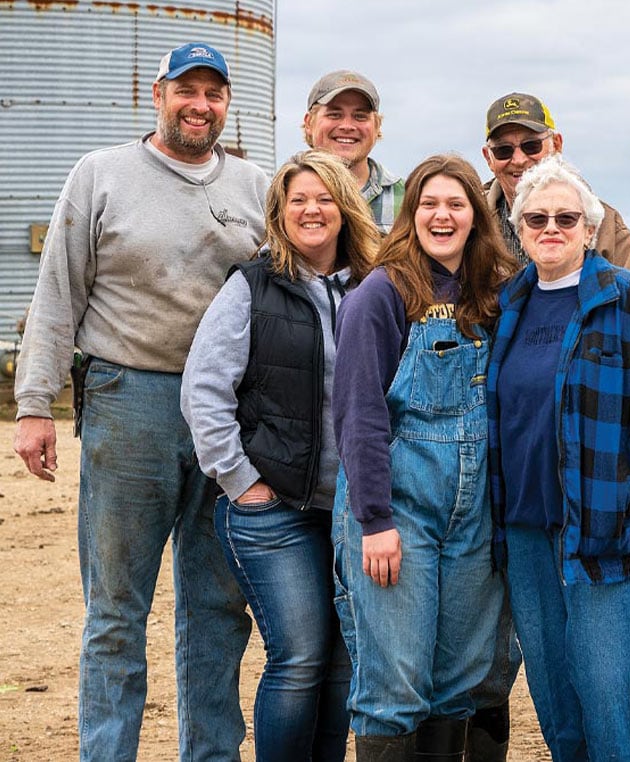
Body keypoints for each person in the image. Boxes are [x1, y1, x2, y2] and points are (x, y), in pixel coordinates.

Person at [12, 42, 268, 761]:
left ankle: (209, 754)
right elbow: (58, 289)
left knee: (218, 607)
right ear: (156, 94)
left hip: (227, 410)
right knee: (117, 610)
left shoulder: (255, 187)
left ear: (227, 105)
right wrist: (36, 403)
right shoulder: (102, 175)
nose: (200, 104)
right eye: (186, 89)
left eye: (214, 93)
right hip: (130, 399)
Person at [486, 155, 630, 761]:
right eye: (537, 218)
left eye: (566, 218)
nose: (551, 228)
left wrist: (615, 505)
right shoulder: (510, 305)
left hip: (610, 539)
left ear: (590, 227)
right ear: (519, 229)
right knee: (557, 711)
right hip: (527, 536)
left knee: (609, 712)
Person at [180, 150, 380, 760]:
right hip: (276, 511)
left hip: (355, 511)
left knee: (346, 661)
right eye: (298, 200)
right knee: (299, 658)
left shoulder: (380, 286)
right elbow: (203, 390)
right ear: (280, 212)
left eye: (324, 198)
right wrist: (240, 479)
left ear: (345, 208)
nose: (311, 210)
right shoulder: (252, 285)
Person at [332, 154, 516, 761]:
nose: (443, 215)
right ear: (410, 213)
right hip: (400, 511)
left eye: (456, 204)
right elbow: (359, 413)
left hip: (474, 517)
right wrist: (375, 521)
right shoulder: (379, 294)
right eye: (429, 204)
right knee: (396, 682)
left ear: (476, 216)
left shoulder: (498, 291)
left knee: (458, 680)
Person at [481, 91, 630, 270]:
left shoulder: (607, 226)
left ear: (557, 145)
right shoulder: (470, 223)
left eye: (531, 146)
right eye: (503, 150)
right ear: (488, 158)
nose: (519, 160)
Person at [303, 69, 404, 233]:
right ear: (309, 123)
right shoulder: (282, 194)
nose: (347, 126)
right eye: (334, 114)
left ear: (377, 126)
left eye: (360, 116)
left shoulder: (408, 199)